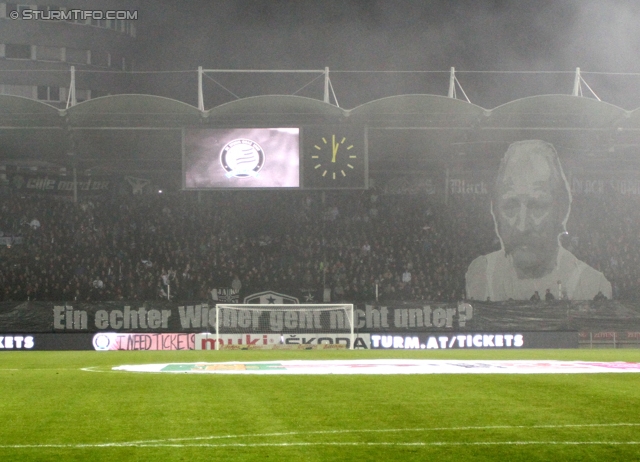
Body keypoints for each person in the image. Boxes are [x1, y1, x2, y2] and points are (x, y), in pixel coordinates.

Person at [465, 140, 611, 301]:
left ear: (561, 210)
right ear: (495, 211)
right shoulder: (481, 274)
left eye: (537, 206)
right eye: (510, 206)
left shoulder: (591, 284)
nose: (522, 227)